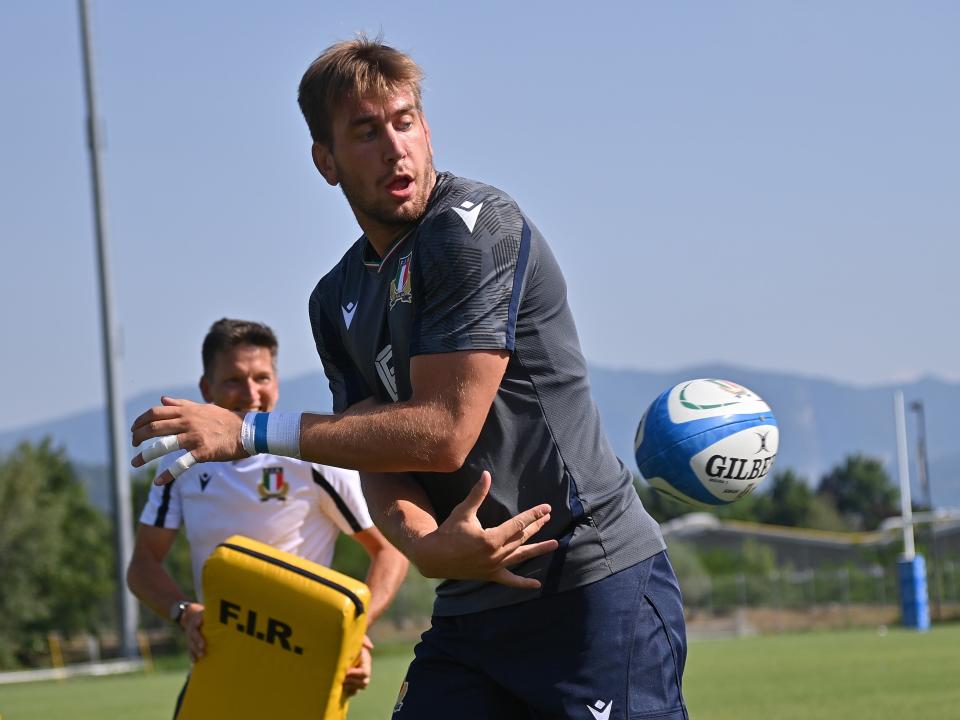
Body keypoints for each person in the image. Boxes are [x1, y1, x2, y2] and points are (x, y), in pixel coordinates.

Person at [132, 37, 687, 720]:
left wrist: (249, 431)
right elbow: (375, 450)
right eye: (366, 131)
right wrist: (426, 545)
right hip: (468, 606)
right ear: (325, 162)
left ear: (426, 128)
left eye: (404, 121)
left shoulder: (472, 228)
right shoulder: (332, 297)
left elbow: (443, 433)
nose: (395, 147)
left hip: (589, 590)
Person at [127, 318, 408, 713]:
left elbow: (390, 551)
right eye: (234, 380)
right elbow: (142, 567)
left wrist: (353, 633)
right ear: (206, 390)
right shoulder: (180, 463)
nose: (251, 393)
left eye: (262, 378)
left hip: (306, 669)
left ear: (276, 382)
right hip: (219, 665)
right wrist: (185, 613)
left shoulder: (314, 455)